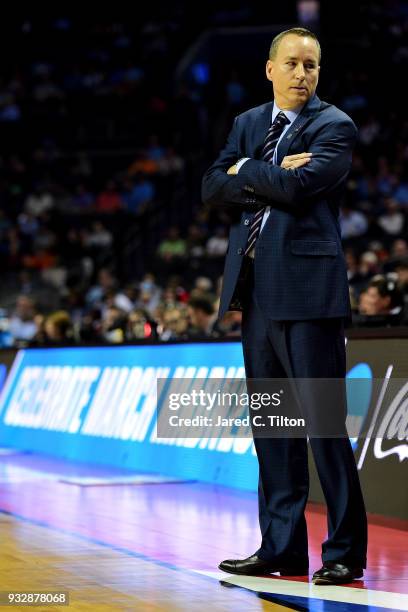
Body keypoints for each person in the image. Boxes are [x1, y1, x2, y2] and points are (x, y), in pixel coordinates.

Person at [202, 27, 367, 585]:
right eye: (293, 64)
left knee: (322, 427)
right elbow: (209, 186)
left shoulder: (334, 125)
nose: (303, 74)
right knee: (274, 428)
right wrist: (265, 172)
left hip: (309, 296)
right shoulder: (248, 124)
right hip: (257, 296)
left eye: (312, 66)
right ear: (269, 68)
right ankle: (281, 548)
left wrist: (244, 173)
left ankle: (344, 550)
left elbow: (300, 191)